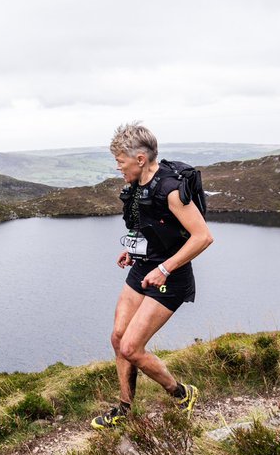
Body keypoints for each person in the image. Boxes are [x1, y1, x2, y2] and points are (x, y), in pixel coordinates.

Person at [92, 122, 214, 429]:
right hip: (144, 266)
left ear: (140, 159)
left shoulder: (171, 189)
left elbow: (202, 237)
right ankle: (124, 408)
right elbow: (151, 225)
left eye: (121, 161)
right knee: (118, 338)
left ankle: (182, 393)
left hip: (170, 276)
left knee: (132, 348)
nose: (118, 167)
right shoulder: (138, 186)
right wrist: (134, 250)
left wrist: (164, 268)